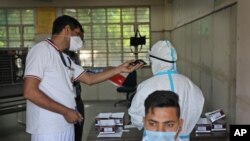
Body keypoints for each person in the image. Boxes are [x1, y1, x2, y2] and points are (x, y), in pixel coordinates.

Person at [23, 15, 143, 141]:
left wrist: (120, 69)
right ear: (67, 30)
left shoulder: (65, 58)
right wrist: (65, 111)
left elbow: (89, 79)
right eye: (77, 33)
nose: (80, 40)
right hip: (48, 129)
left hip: (65, 125)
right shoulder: (41, 50)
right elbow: (30, 92)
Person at [128, 40, 204, 140]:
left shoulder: (146, 86)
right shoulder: (190, 85)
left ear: (154, 61)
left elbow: (136, 119)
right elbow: (196, 112)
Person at [64, 26, 84, 141]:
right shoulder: (58, 54)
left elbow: (83, 75)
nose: (79, 41)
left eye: (82, 39)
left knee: (78, 131)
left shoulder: (74, 56)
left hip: (77, 98)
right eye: (78, 36)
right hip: (65, 101)